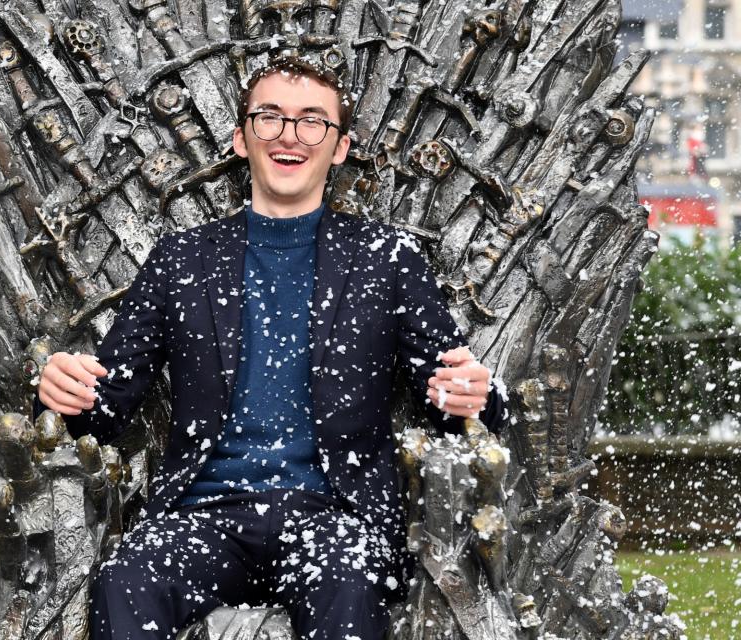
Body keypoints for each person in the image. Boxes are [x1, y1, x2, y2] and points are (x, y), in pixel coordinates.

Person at [36, 56, 506, 640]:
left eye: (313, 121)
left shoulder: (388, 260)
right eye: (270, 118)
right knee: (125, 579)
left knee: (349, 586)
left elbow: (456, 394)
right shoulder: (181, 259)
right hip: (200, 514)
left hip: (338, 519)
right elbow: (105, 406)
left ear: (340, 147)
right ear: (240, 138)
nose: (289, 135)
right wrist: (60, 390)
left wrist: (476, 394)